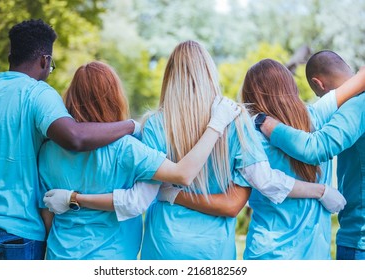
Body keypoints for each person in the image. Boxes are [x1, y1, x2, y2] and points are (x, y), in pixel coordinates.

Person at [44, 41, 345, 260]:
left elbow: (140, 198)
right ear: (209, 73)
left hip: (163, 248)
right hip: (213, 252)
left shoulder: (154, 125)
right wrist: (319, 190)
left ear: (170, 77)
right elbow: (265, 181)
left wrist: (169, 192)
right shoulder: (236, 121)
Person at [0, 19, 141, 260]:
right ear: (45, 60)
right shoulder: (37, 93)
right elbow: (75, 137)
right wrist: (131, 125)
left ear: (11, 55)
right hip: (16, 234)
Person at [38, 61, 239, 259]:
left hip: (61, 254)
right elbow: (180, 175)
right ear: (114, 97)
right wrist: (216, 124)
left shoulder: (48, 150)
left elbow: (47, 213)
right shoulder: (127, 148)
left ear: (71, 96)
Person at [239, 58, 360, 259]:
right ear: (290, 87)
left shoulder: (249, 133)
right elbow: (356, 83)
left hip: (269, 253)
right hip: (314, 256)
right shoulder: (315, 116)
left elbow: (265, 181)